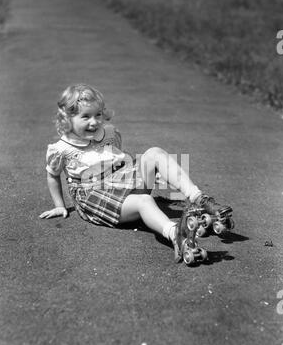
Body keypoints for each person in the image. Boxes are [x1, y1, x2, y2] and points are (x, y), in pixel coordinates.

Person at [40, 84, 231, 263]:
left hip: (121, 180)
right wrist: (59, 205)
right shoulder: (61, 149)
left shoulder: (109, 132)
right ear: (67, 119)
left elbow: (118, 157)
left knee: (154, 153)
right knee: (145, 201)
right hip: (94, 193)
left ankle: (200, 199)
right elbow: (53, 175)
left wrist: (138, 172)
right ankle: (175, 234)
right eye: (86, 116)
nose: (94, 122)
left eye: (98, 114)